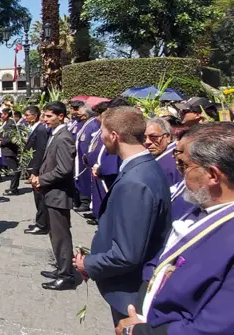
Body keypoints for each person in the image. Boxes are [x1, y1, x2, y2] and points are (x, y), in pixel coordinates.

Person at [117, 123, 234, 335]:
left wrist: (137, 332)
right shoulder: (204, 202)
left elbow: (219, 327)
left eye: (184, 165)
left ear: (212, 175)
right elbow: (162, 259)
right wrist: (141, 303)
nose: (180, 174)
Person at [73, 107, 171, 325]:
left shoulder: (135, 182)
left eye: (103, 132)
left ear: (114, 136)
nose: (101, 138)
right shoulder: (144, 167)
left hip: (130, 293)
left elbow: (127, 254)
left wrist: (88, 264)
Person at [31, 101, 76, 291]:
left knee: (61, 236)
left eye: (49, 116)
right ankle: (61, 267)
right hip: (51, 193)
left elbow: (65, 169)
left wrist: (43, 179)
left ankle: (66, 276)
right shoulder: (55, 134)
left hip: (58, 194)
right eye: (44, 115)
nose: (45, 119)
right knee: (55, 235)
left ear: (61, 116)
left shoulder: (63, 137)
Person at [22, 106, 50, 235]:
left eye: (27, 115)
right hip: (33, 166)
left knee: (40, 198)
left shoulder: (40, 129)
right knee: (38, 198)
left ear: (35, 115)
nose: (25, 118)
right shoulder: (35, 129)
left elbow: (40, 151)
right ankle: (41, 221)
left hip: (37, 169)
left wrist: (35, 171)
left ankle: (42, 225)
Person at [73, 105, 99, 213]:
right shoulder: (85, 124)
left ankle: (87, 202)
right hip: (80, 158)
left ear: (85, 116)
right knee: (82, 179)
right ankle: (82, 200)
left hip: (87, 159)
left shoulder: (93, 125)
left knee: (87, 180)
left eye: (78, 113)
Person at [144, 118, 181, 188]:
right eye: (144, 138)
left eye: (153, 137)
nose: (147, 142)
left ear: (168, 137)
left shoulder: (175, 158)